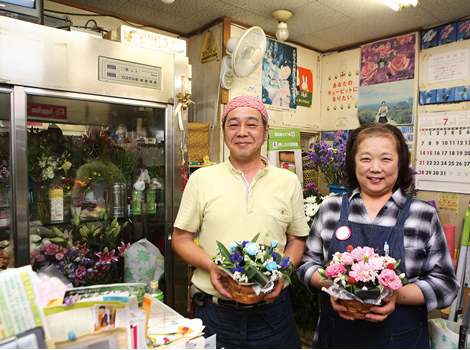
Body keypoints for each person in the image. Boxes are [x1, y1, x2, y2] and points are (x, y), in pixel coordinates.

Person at [297, 122, 458, 348]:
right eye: (365, 159)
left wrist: (393, 295)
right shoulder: (330, 208)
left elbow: (446, 285)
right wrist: (335, 288)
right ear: (353, 163)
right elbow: (307, 265)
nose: (375, 168)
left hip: (402, 338)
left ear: (400, 163)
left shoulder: (423, 214)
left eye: (386, 158)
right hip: (337, 336)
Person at [172, 95, 309, 349]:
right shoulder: (202, 179)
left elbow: (297, 239)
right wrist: (211, 266)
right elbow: (181, 239)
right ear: (224, 132)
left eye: (252, 124)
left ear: (266, 132)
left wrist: (282, 272)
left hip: (273, 314)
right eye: (233, 125)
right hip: (215, 314)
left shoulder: (287, 181)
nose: (242, 132)